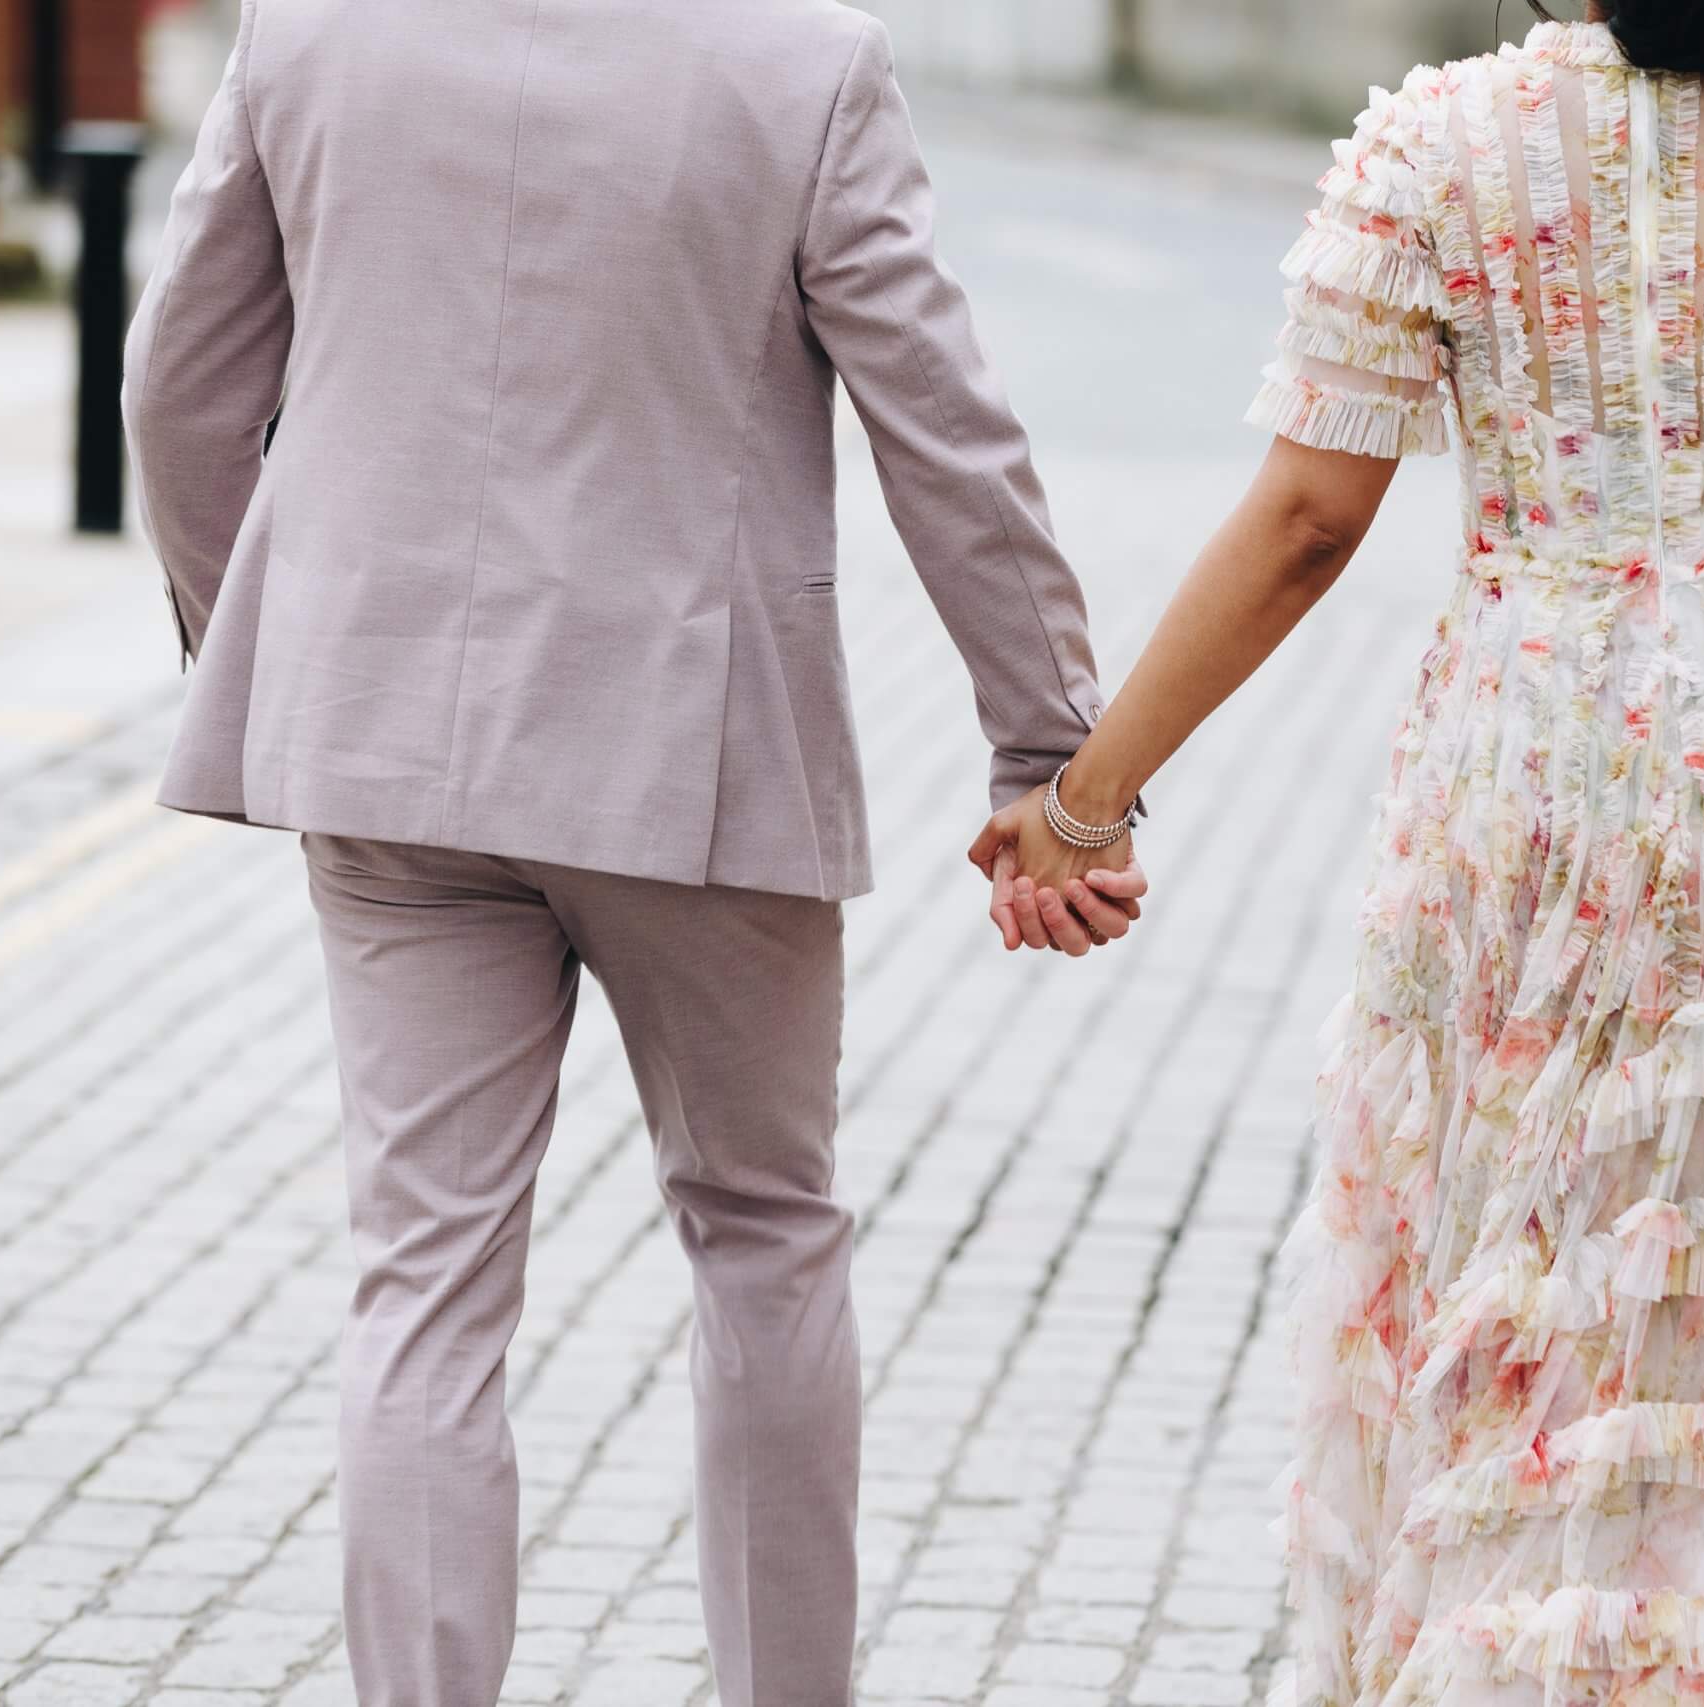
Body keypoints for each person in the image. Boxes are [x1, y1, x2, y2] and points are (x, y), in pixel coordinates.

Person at [968, 0, 1704, 1700]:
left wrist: (1083, 802)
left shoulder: (1435, 151)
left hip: (1532, 747)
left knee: (1526, 1218)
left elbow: (1306, 520)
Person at [121, 1, 1145, 1701]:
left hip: (396, 766)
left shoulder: (310, 32)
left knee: (424, 1284)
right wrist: (1052, 756)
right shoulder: (802, 63)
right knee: (762, 1230)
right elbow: (947, 430)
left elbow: (179, 385)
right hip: (702, 756)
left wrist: (289, 651)